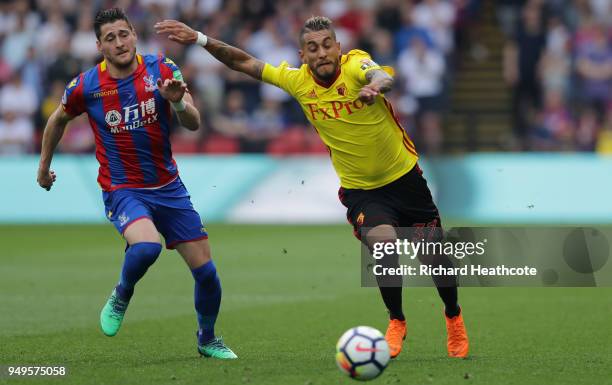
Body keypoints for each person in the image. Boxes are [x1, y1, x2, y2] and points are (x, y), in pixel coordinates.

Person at [155, 16, 469, 359]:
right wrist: (200, 38)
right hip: (362, 190)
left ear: (338, 47)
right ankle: (396, 321)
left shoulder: (355, 66)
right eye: (312, 48)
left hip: (405, 180)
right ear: (302, 55)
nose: (321, 53)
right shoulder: (297, 81)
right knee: (383, 243)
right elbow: (243, 61)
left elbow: (382, 75)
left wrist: (374, 86)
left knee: (434, 256)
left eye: (327, 44)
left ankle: (452, 316)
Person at [36, 8, 236, 360]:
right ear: (100, 46)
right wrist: (43, 167)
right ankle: (122, 293)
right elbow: (57, 119)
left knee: (208, 275)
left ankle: (207, 338)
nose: (119, 43)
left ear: (134, 35)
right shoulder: (87, 86)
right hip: (123, 188)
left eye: (123, 34)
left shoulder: (161, 68)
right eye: (110, 38)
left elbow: (193, 121)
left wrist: (176, 102)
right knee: (146, 248)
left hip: (168, 186)